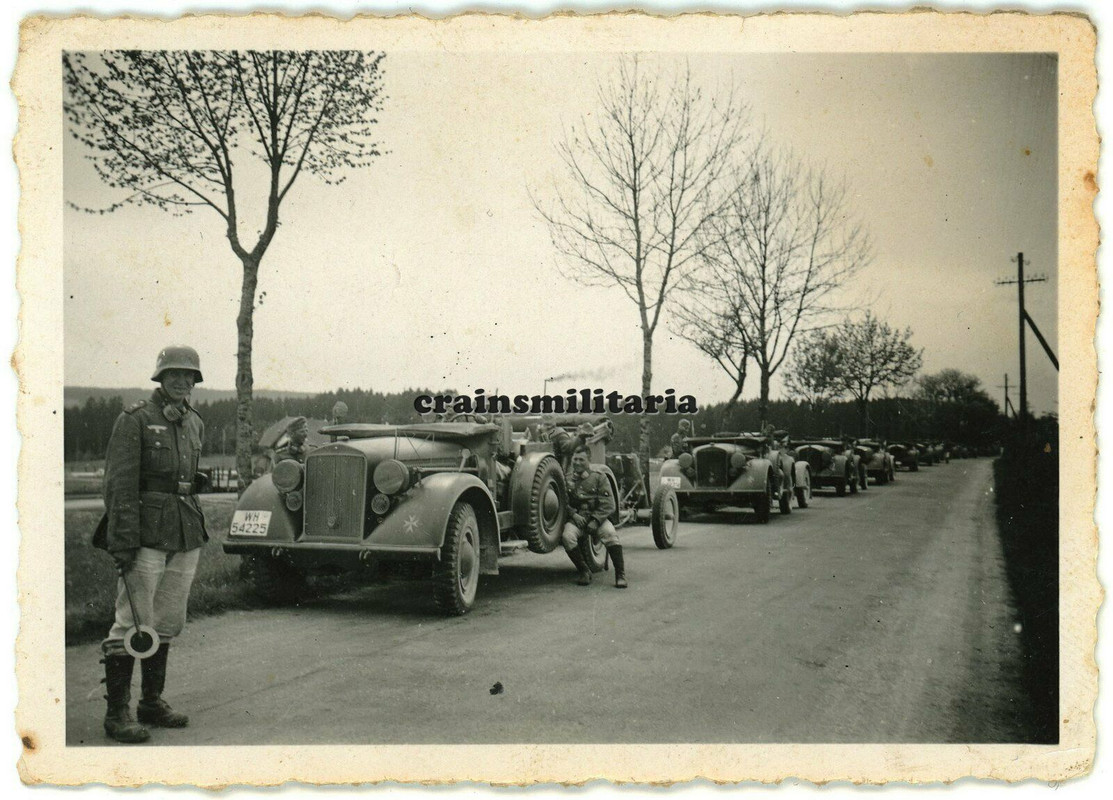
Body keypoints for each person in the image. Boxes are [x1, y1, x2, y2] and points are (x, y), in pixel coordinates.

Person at [94, 345, 208, 744]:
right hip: (144, 533)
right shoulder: (136, 419)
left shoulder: (195, 422)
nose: (182, 380)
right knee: (132, 620)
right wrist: (122, 540)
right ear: (160, 377)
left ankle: (151, 702)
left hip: (184, 531)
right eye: (174, 373)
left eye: (188, 374)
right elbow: (119, 484)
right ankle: (117, 713)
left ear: (195, 380)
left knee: (167, 619)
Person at [562, 445, 627, 589]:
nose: (577, 463)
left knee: (610, 535)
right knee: (568, 537)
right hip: (577, 519)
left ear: (589, 460)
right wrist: (574, 515)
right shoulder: (567, 479)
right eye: (575, 459)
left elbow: (609, 504)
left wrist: (596, 521)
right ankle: (584, 571)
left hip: (597, 518)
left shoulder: (599, 477)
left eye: (581, 460)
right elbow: (563, 502)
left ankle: (620, 574)